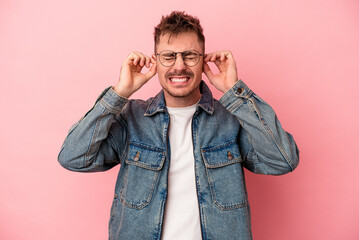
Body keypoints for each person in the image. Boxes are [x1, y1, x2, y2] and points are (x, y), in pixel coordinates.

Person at [58, 11, 299, 240]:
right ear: (156, 62)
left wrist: (234, 91)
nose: (179, 65)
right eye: (169, 56)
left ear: (203, 60)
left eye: (190, 55)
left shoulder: (231, 119)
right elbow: (73, 157)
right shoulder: (132, 117)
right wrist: (120, 93)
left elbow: (283, 160)